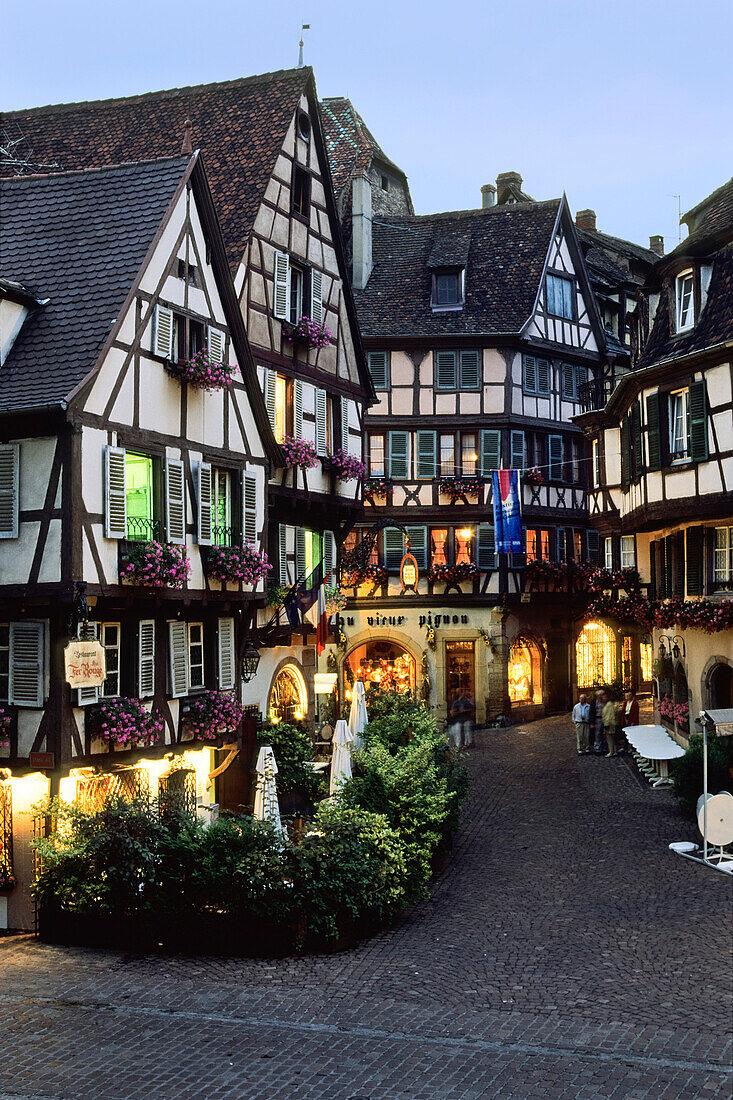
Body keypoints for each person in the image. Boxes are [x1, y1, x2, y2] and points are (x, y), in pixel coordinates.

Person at [619, 689, 639, 753]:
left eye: (630, 695)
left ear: (632, 696)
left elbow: (636, 713)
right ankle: (625, 747)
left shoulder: (635, 703)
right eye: (628, 694)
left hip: (631, 719)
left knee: (632, 734)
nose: (628, 696)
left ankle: (632, 748)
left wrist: (633, 721)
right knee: (625, 734)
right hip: (625, 719)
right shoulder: (625, 703)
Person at [601, 692, 618, 757]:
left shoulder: (609, 705)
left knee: (610, 739)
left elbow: (609, 716)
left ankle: (611, 751)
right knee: (612, 738)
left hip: (609, 724)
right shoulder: (608, 705)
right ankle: (614, 751)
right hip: (610, 724)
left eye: (604, 698)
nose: (603, 699)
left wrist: (606, 724)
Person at [592, 689, 606, 754]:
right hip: (597, 719)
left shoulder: (605, 701)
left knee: (605, 733)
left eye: (602, 695)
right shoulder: (594, 702)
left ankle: (604, 748)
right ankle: (598, 748)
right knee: (598, 734)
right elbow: (591, 712)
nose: (600, 696)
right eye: (599, 695)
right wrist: (592, 722)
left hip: (605, 719)